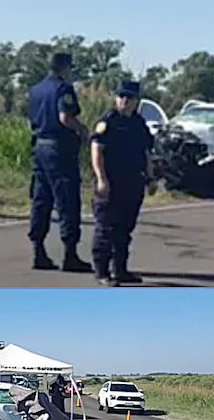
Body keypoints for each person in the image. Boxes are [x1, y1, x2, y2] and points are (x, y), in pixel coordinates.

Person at [26, 52, 92, 272]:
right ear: (64, 68)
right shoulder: (63, 89)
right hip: (59, 150)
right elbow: (65, 117)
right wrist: (83, 132)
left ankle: (38, 250)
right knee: (67, 201)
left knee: (41, 199)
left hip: (39, 147)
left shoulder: (35, 90)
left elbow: (31, 119)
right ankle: (70, 254)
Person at [90, 79, 157, 286]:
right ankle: (102, 272)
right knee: (106, 228)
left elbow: (146, 152)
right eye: (121, 97)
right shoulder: (108, 121)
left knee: (125, 228)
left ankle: (120, 269)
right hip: (111, 182)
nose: (125, 101)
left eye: (129, 98)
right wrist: (101, 179)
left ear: (137, 101)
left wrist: (151, 177)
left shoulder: (138, 123)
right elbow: (96, 150)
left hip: (132, 182)